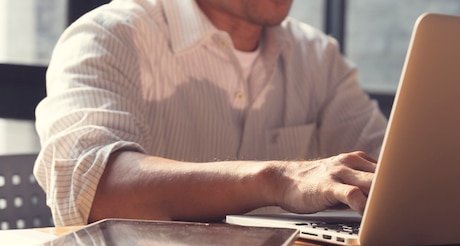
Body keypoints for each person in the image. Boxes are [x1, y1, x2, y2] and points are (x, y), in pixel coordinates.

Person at [34, 0, 387, 226]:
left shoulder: (317, 56)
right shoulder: (110, 36)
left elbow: (392, 168)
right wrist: (278, 180)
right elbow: (95, 185)